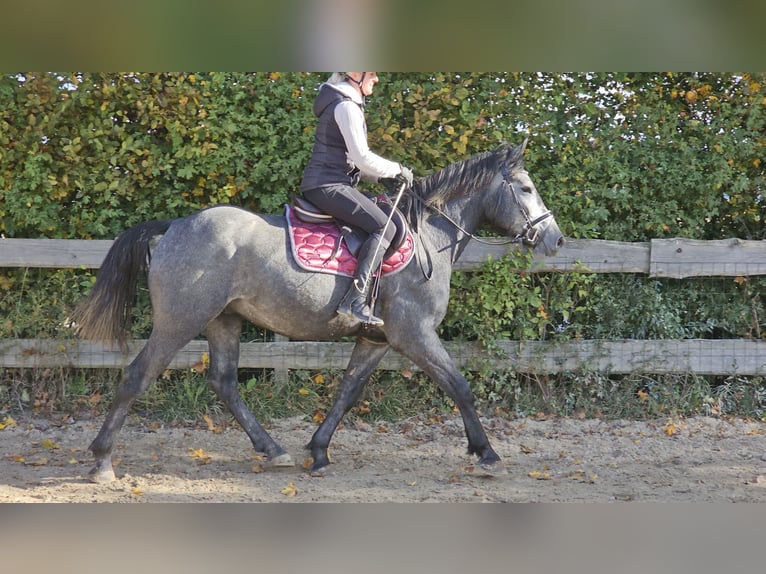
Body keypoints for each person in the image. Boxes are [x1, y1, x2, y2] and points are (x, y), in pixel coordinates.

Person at [300, 72, 414, 326]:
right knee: (386, 227)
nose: (376, 79)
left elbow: (351, 161)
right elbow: (362, 157)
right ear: (354, 74)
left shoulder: (343, 103)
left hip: (329, 183)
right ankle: (355, 300)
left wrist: (379, 179)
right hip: (328, 185)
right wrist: (397, 169)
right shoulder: (346, 106)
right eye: (371, 73)